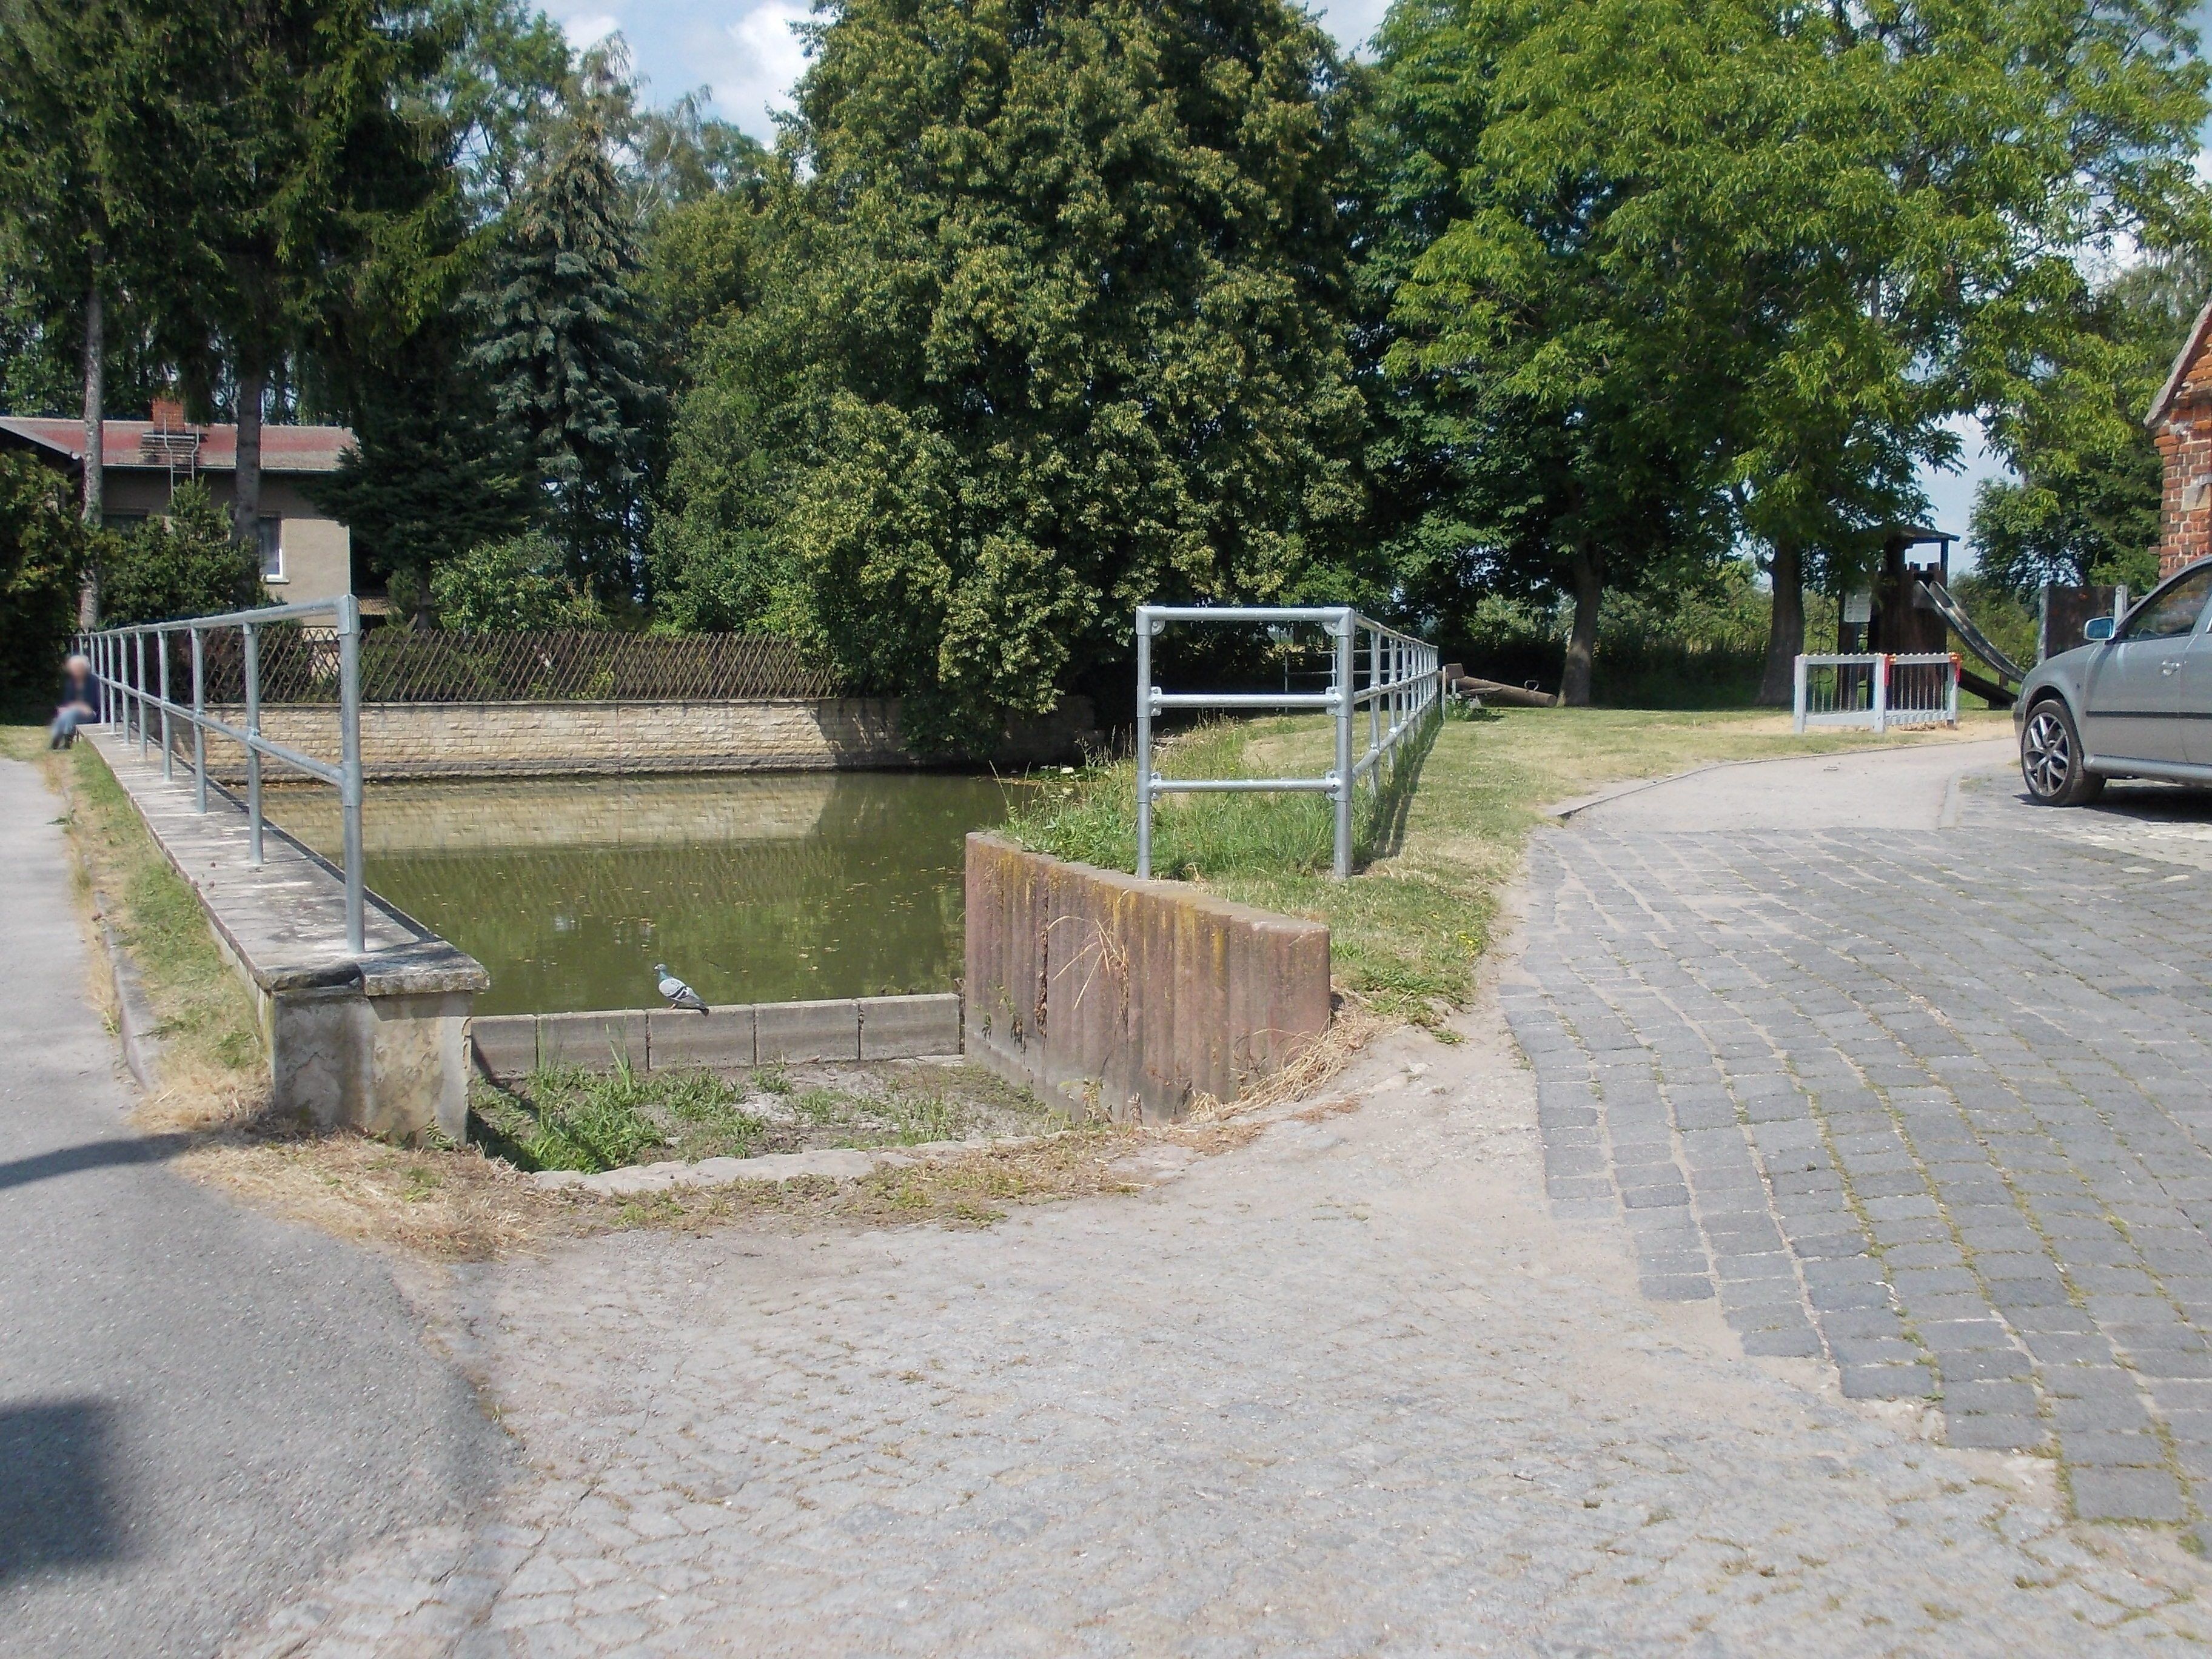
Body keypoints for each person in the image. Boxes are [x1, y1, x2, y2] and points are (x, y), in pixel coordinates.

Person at [47, 654, 95, 749]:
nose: (74, 671)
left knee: (71, 713)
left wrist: (77, 707)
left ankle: (67, 741)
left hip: (90, 713)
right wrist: (65, 708)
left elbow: (94, 704)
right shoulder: (71, 683)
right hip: (74, 711)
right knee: (66, 713)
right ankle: (56, 740)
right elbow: (67, 701)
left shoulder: (94, 682)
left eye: (77, 668)